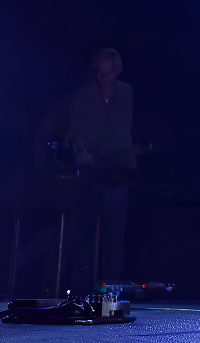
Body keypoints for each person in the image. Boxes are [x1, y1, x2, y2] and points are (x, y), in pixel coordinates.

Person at [64, 47, 136, 292]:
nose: (105, 78)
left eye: (110, 73)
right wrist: (82, 150)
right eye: (101, 73)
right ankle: (79, 290)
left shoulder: (126, 92)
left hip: (117, 170)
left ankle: (110, 291)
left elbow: (120, 129)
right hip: (91, 171)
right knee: (83, 234)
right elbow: (75, 129)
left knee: (114, 236)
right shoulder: (82, 95)